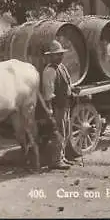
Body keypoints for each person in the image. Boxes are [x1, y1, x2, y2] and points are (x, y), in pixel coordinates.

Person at [41, 40, 74, 170]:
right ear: (50, 56)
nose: (60, 57)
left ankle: (62, 157)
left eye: (61, 54)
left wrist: (72, 90)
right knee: (58, 134)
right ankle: (55, 161)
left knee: (65, 131)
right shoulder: (49, 71)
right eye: (57, 55)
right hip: (57, 107)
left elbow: (68, 84)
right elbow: (48, 92)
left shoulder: (62, 67)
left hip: (65, 105)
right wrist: (49, 110)